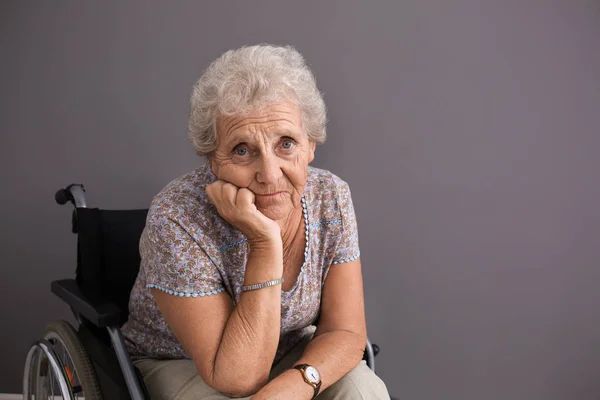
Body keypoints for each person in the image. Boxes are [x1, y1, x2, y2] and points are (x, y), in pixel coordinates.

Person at [121, 44, 390, 399]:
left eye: (286, 143)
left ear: (311, 145)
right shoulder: (176, 217)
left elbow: (345, 332)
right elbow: (237, 379)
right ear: (212, 160)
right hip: (184, 362)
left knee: (362, 391)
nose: (268, 173)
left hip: (290, 350)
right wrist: (265, 243)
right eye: (242, 150)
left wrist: (297, 384)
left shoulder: (331, 197)